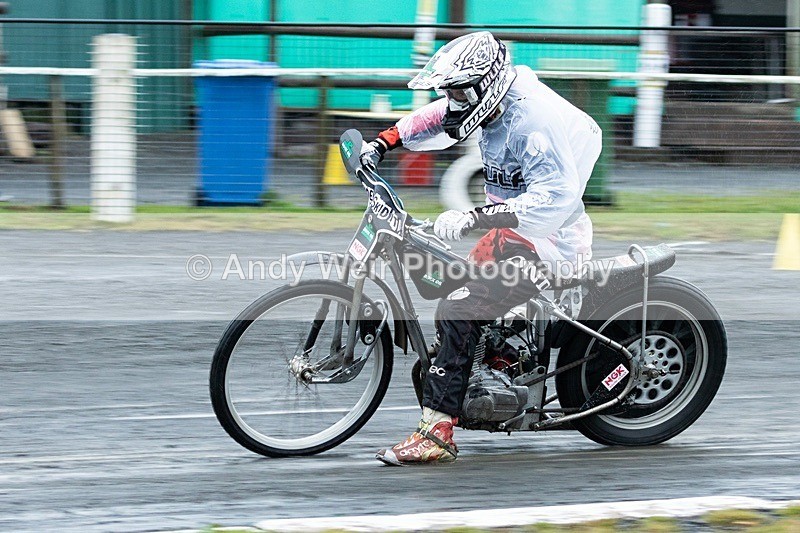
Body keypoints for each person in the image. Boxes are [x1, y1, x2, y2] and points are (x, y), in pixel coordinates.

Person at [360, 31, 602, 466]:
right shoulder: (490, 99)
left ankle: (436, 434)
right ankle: (492, 370)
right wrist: (382, 143)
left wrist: (474, 217)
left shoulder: (533, 122)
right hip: (512, 231)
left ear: (484, 84)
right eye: (449, 91)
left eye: (457, 91)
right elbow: (439, 117)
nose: (451, 101)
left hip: (550, 242)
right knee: (453, 287)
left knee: (459, 309)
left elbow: (554, 198)